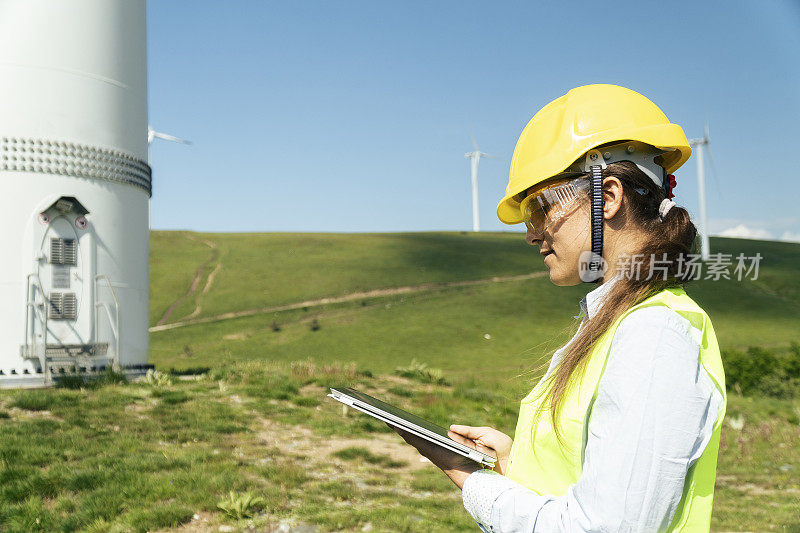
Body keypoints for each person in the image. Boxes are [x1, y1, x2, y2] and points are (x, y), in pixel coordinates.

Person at [390, 84, 727, 532]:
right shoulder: (615, 323)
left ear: (607, 197)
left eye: (539, 208)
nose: (532, 234)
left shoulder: (654, 336)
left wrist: (468, 477)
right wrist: (515, 462)